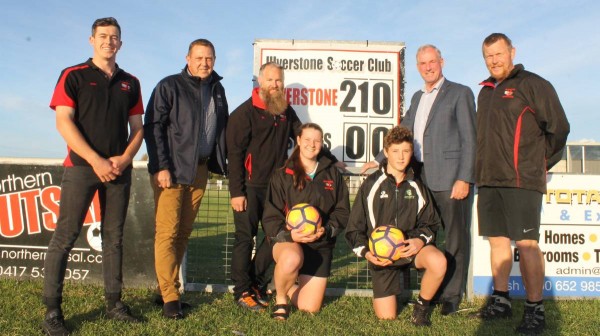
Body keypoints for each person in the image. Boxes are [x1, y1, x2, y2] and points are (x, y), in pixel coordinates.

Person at [43, 17, 144, 335]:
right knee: (64, 239)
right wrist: (96, 160)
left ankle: (114, 304)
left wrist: (125, 159)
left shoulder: (131, 82)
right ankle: (52, 312)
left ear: (120, 43)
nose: (108, 41)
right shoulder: (73, 75)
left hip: (118, 170)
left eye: (114, 37)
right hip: (81, 168)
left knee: (113, 241)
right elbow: (64, 123)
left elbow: (138, 129)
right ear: (91, 40)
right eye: (103, 36)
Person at [363, 44, 476, 315]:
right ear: (417, 67)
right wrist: (380, 158)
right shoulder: (417, 97)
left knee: (456, 238)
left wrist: (464, 178)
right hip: (423, 179)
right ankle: (432, 290)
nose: (428, 67)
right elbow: (403, 130)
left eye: (432, 61)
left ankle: (451, 296)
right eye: (423, 63)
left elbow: (470, 139)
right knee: (428, 238)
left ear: (442, 62)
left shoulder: (460, 93)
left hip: (451, 181)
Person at [472, 33, 569, 335]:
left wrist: (537, 164)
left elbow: (559, 128)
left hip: (521, 181)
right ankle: (501, 301)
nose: (495, 60)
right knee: (498, 241)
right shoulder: (485, 92)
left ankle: (535, 308)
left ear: (512, 51)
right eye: (489, 56)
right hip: (489, 180)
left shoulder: (534, 85)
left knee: (527, 244)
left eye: (499, 54)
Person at [227, 62, 342, 310]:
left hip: (276, 187)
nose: (275, 85)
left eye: (279, 80)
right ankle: (241, 291)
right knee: (245, 239)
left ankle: (257, 284)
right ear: (260, 82)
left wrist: (331, 160)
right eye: (270, 80)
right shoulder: (242, 114)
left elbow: (304, 137)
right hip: (249, 187)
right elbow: (234, 156)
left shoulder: (285, 110)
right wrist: (236, 192)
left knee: (273, 238)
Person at [144, 38, 228, 319]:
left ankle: (165, 290)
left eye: (210, 58)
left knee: (182, 233)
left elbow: (223, 131)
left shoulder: (218, 89)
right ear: (188, 58)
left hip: (200, 171)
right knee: (167, 233)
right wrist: (160, 166)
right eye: (199, 58)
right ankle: (170, 297)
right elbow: (153, 126)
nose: (205, 63)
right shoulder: (169, 86)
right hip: (173, 170)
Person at [346, 126, 446, 326]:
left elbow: (431, 222)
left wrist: (419, 240)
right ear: (386, 152)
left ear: (411, 153)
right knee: (387, 317)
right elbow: (353, 229)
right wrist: (367, 252)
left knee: (438, 261)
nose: (401, 157)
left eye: (406, 151)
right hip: (383, 258)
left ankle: (421, 306)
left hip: (409, 249)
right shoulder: (371, 185)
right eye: (395, 151)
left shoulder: (417, 185)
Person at [262, 123, 350, 320]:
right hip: (290, 242)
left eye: (317, 141)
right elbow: (270, 214)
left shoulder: (332, 174)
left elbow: (343, 211)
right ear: (299, 141)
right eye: (307, 139)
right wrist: (288, 234)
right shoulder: (282, 174)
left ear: (321, 144)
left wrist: (326, 230)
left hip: (320, 245)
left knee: (309, 307)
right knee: (292, 258)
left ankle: (279, 281)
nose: (312, 144)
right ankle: (281, 300)